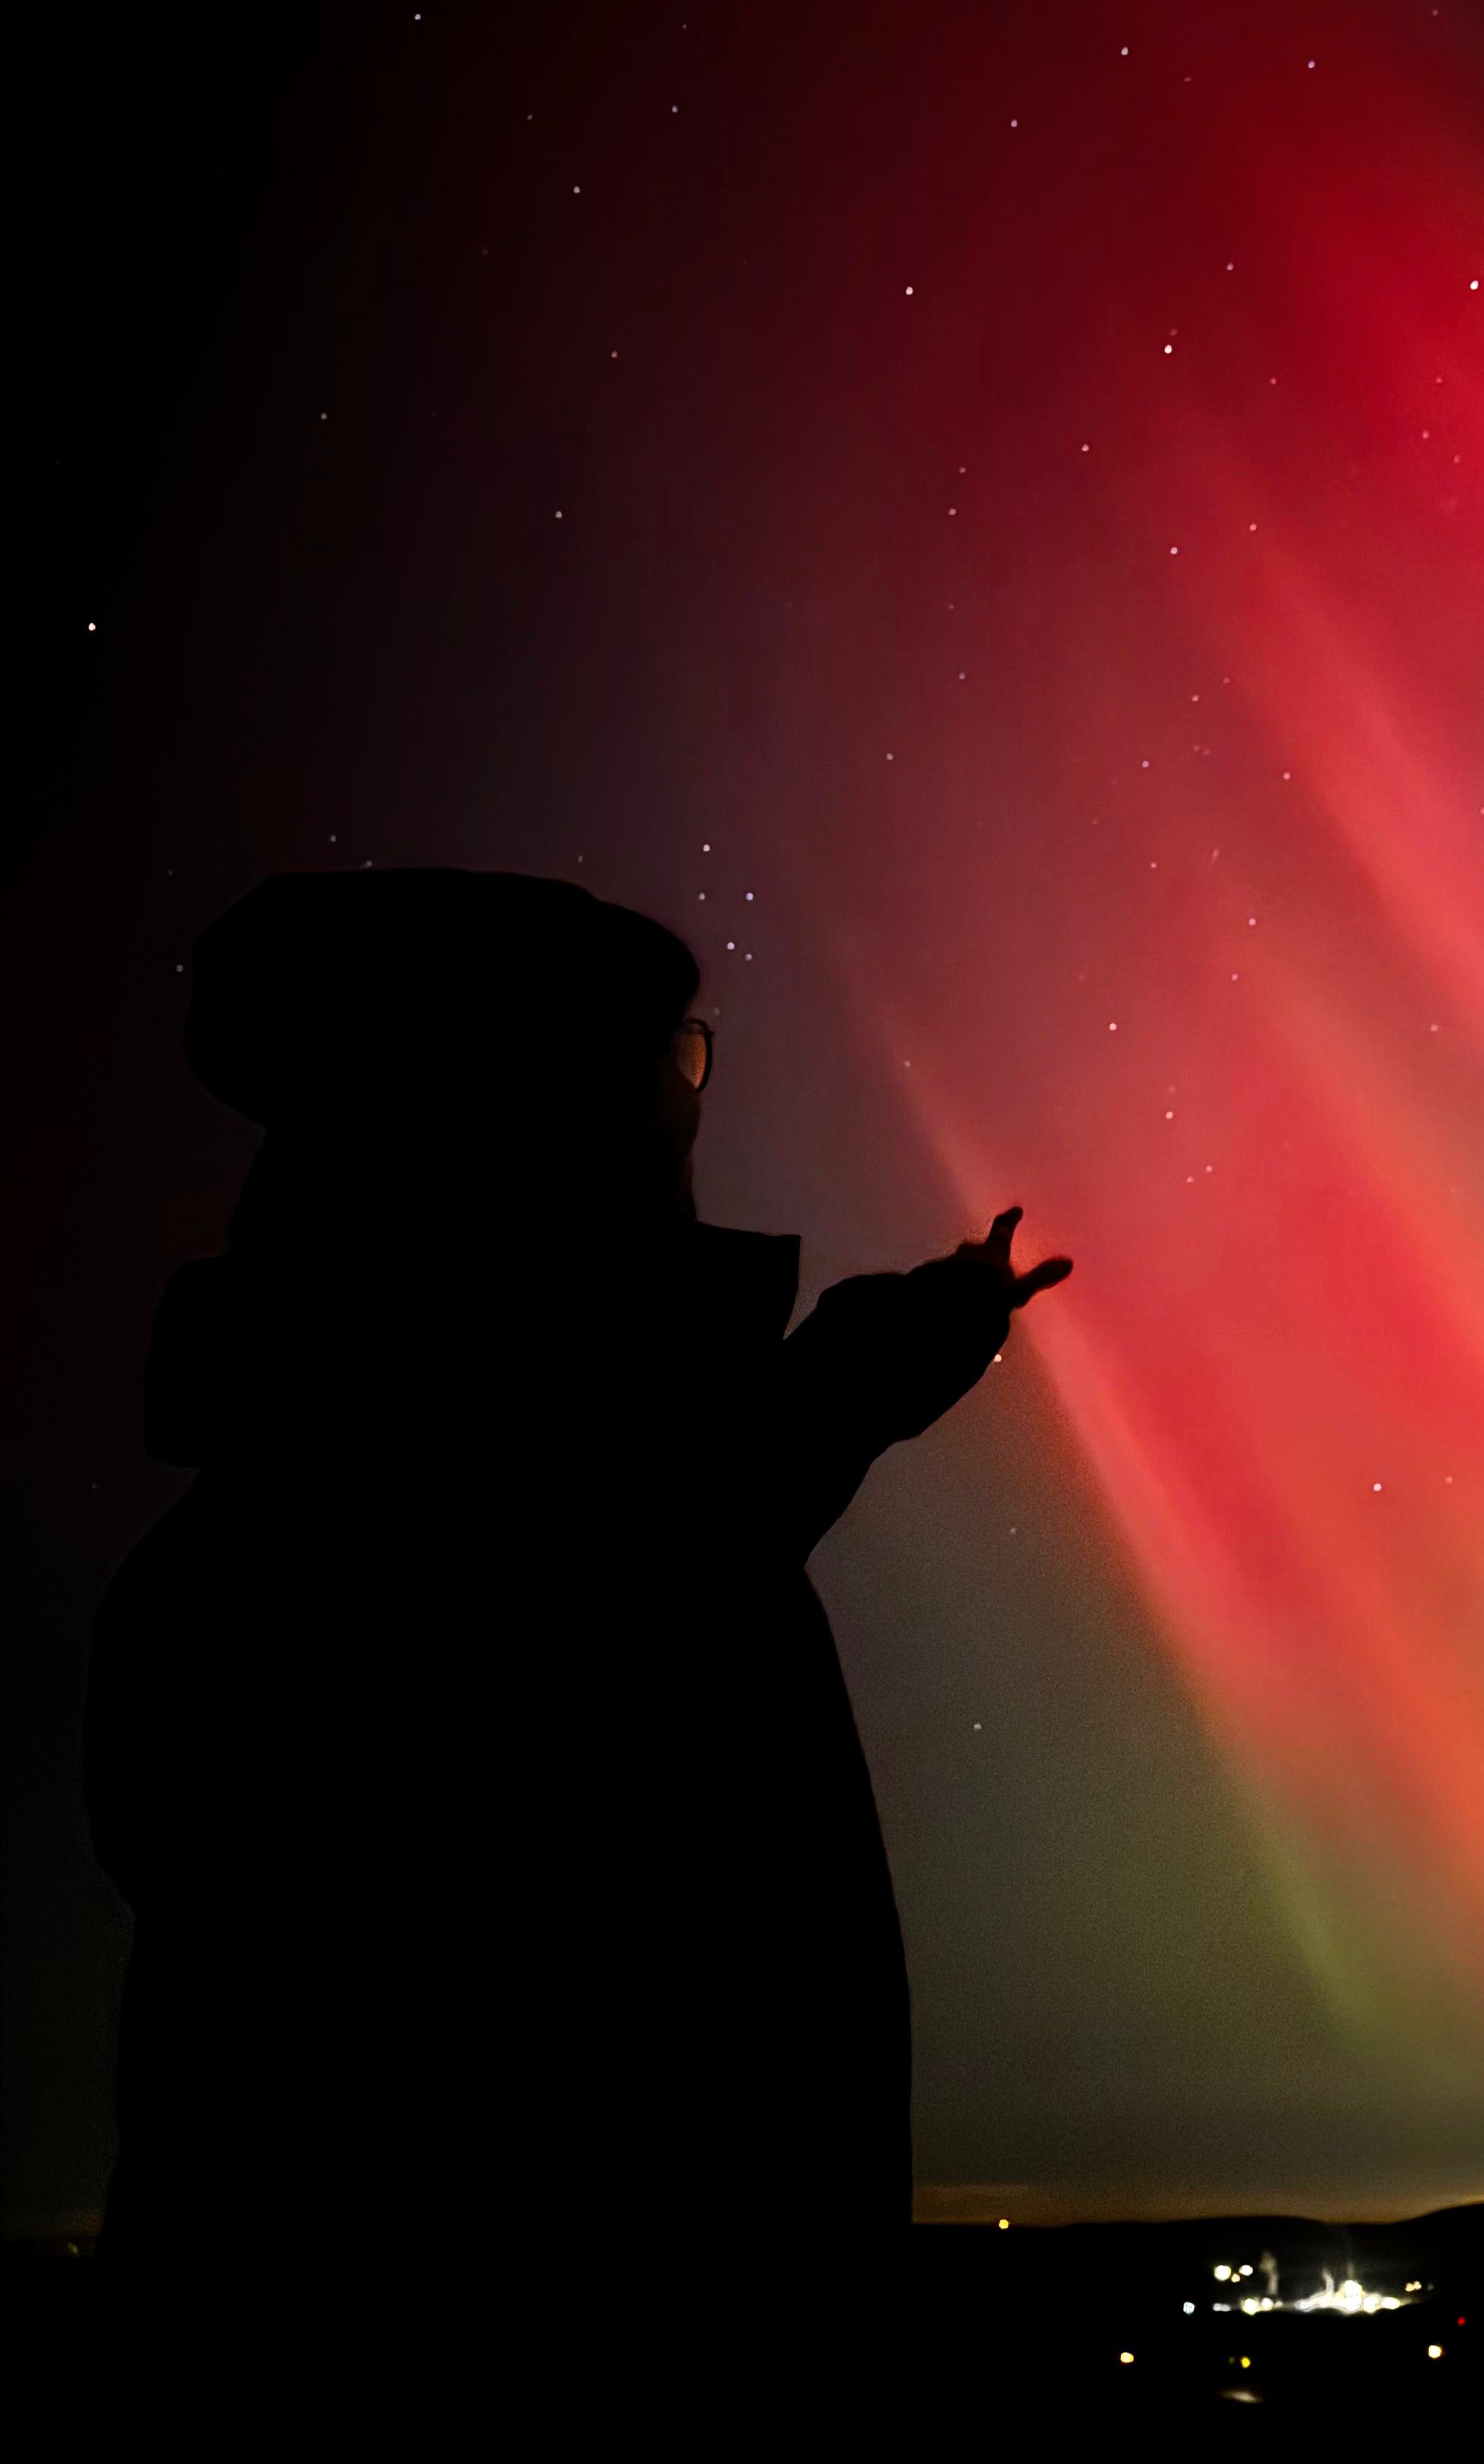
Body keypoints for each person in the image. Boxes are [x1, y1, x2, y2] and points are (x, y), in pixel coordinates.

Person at [81, 866, 1070, 2350]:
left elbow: (734, 1465)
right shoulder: (534, 1505)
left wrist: (909, 1333)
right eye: (668, 1055)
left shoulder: (310, 1491)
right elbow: (698, 1504)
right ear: (513, 1105)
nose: (692, 1100)